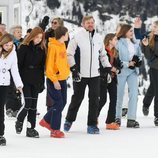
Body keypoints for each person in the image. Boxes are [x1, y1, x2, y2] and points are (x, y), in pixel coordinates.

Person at [63, 16, 111, 134]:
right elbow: (69, 54)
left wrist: (108, 68)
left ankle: (92, 125)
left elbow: (103, 55)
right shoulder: (77, 37)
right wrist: (74, 69)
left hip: (95, 74)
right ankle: (69, 120)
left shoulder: (98, 38)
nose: (90, 24)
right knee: (77, 98)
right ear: (83, 24)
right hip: (80, 74)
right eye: (88, 23)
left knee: (95, 100)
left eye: (92, 22)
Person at [15, 27, 46, 138]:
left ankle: (30, 128)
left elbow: (42, 67)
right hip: (25, 78)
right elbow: (17, 65)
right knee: (28, 103)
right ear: (32, 36)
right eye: (37, 37)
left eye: (40, 38)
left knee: (34, 106)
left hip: (36, 79)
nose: (38, 40)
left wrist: (42, 82)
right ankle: (19, 119)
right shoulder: (24, 47)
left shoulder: (42, 49)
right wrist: (17, 82)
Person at [39, 26, 70, 138]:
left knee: (63, 102)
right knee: (58, 103)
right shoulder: (53, 46)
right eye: (67, 33)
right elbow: (49, 66)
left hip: (62, 79)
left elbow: (63, 62)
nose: (68, 35)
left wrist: (66, 73)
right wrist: (55, 80)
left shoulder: (62, 45)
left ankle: (46, 120)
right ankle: (55, 129)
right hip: (54, 80)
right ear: (62, 35)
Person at [115, 24, 142, 128]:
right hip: (121, 71)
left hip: (132, 72)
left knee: (134, 94)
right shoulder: (118, 42)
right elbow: (116, 58)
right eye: (130, 31)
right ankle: (117, 118)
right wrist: (127, 64)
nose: (132, 33)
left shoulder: (135, 43)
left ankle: (131, 119)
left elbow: (139, 55)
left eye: (132, 31)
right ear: (124, 31)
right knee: (119, 95)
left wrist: (138, 61)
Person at [0, 34, 23, 146]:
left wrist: (19, 84)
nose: (8, 47)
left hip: (4, 84)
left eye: (10, 45)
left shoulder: (13, 53)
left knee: (0, 110)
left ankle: (0, 134)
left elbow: (15, 70)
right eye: (6, 45)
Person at [97, 33, 122, 130]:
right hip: (103, 78)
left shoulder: (115, 52)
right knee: (103, 100)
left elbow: (119, 64)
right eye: (115, 39)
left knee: (114, 100)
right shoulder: (102, 51)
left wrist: (117, 69)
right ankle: (94, 117)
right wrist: (111, 69)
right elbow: (99, 65)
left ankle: (110, 122)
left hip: (113, 79)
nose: (116, 41)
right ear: (110, 40)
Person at [142, 20, 158, 126]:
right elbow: (147, 56)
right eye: (155, 27)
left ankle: (145, 103)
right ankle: (157, 116)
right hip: (155, 67)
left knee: (153, 87)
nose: (156, 29)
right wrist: (146, 45)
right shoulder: (149, 38)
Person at [6, 25, 23, 117]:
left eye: (21, 31)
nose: (20, 33)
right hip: (9, 69)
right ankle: (9, 108)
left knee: (18, 88)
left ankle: (17, 108)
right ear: (13, 33)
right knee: (10, 88)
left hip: (19, 69)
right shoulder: (8, 43)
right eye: (18, 32)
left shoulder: (23, 43)